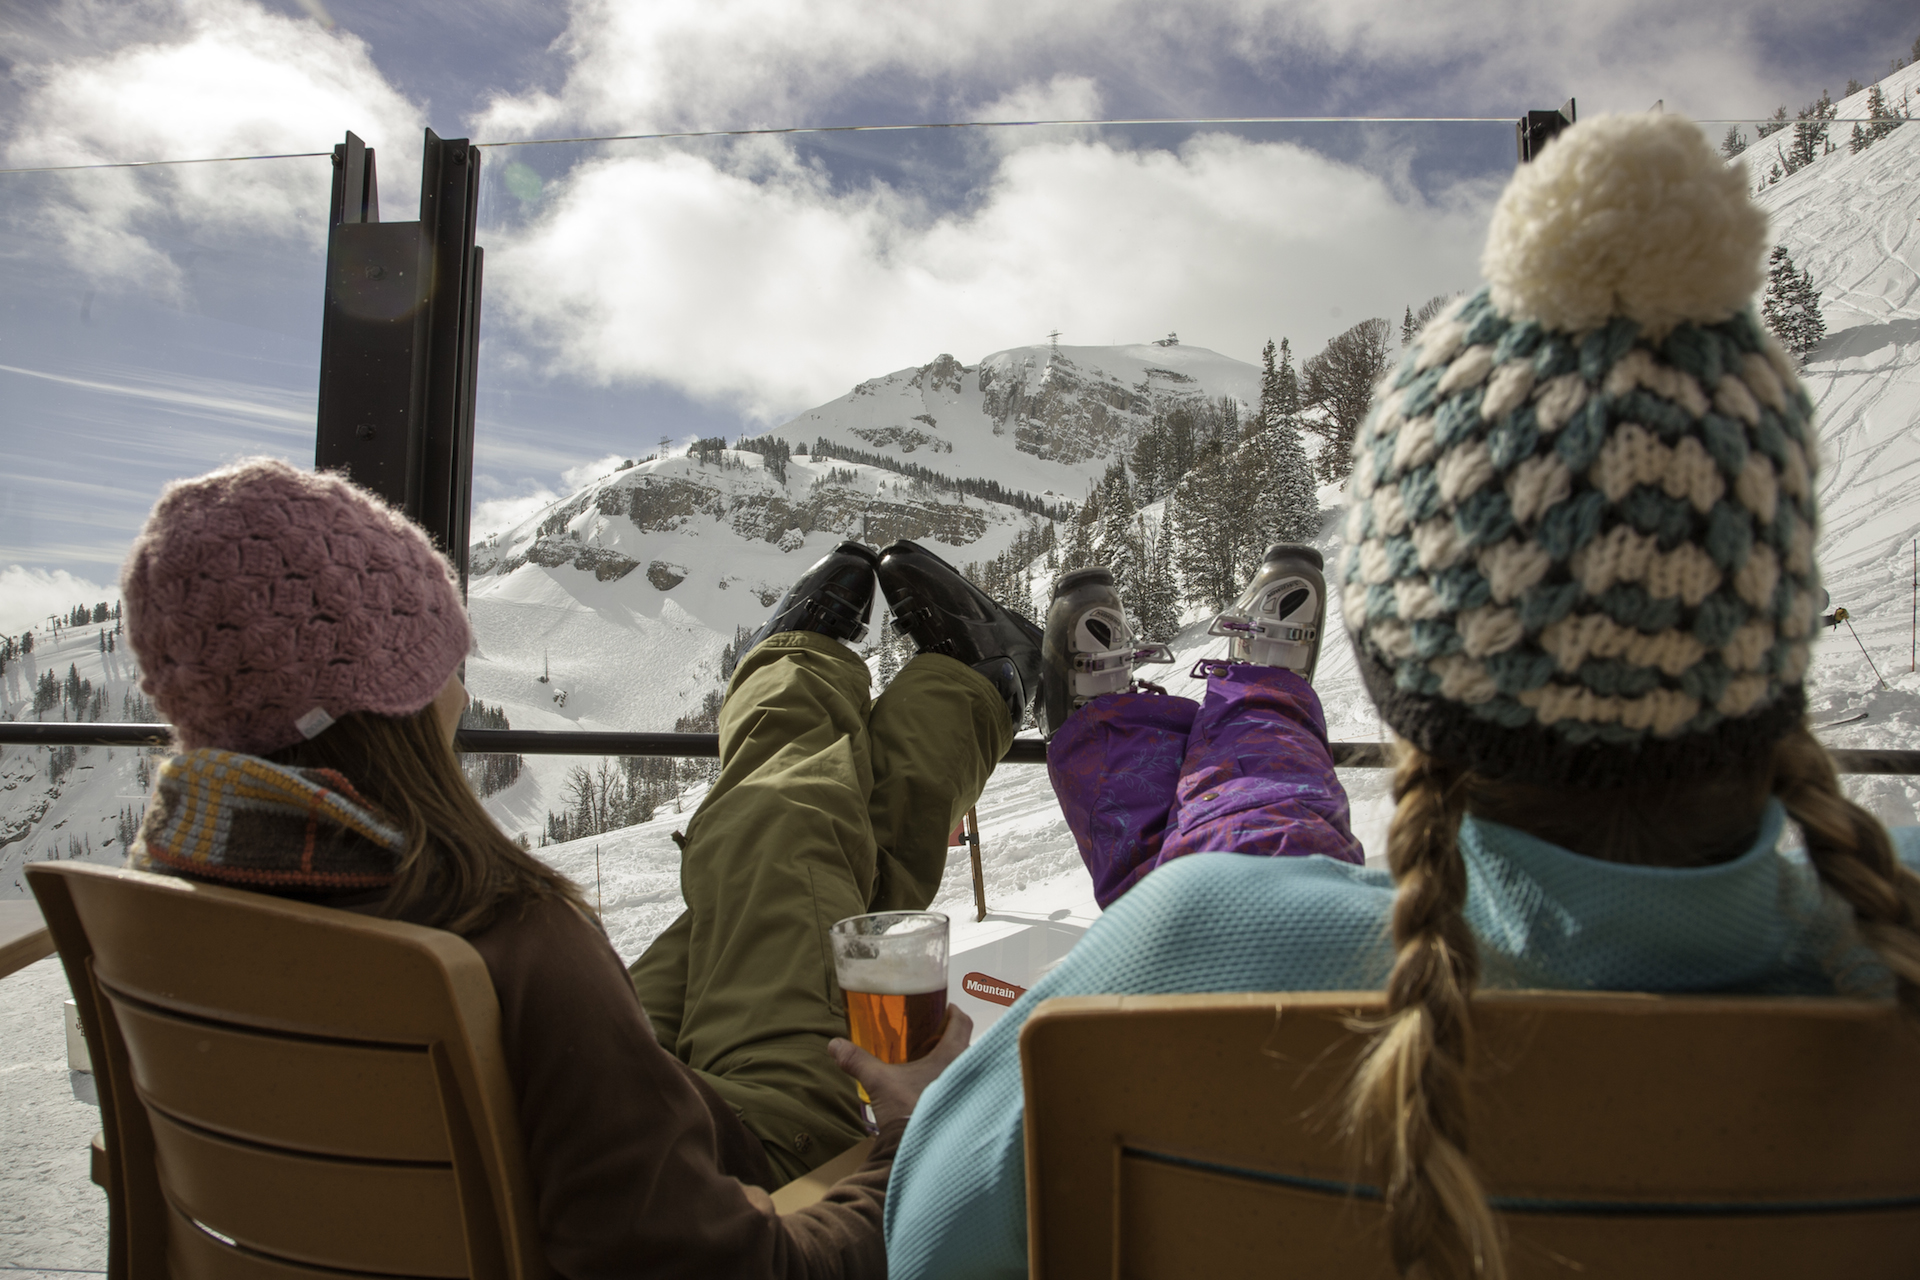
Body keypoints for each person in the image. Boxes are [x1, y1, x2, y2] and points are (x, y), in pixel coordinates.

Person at [884, 111, 1920, 1280]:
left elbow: (926, 1240)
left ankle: (1208, 731)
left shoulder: (1206, 946)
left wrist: (932, 1105)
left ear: (1392, 664)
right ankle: (1238, 712)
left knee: (1226, 859)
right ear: (1773, 635)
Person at [117, 457, 1039, 1280]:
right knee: (775, 830)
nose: (464, 686)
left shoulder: (162, 914)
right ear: (401, 690)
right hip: (755, 1153)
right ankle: (924, 682)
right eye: (447, 658)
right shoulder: (505, 943)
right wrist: (908, 1138)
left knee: (750, 878)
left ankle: (882, 676)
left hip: (534, 1140)